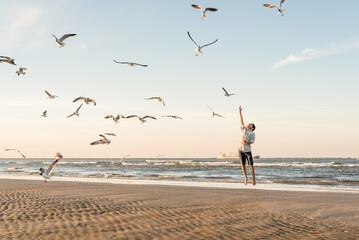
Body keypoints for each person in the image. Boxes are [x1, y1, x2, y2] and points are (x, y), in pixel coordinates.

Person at [238, 106, 256, 185]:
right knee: (243, 165)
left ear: (252, 128)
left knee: (251, 165)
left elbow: (252, 142)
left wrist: (247, 142)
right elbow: (241, 121)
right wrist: (240, 112)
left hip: (247, 151)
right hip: (241, 149)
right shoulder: (243, 129)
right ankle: (246, 178)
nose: (249, 124)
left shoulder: (252, 133)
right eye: (249, 123)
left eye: (251, 124)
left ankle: (254, 179)